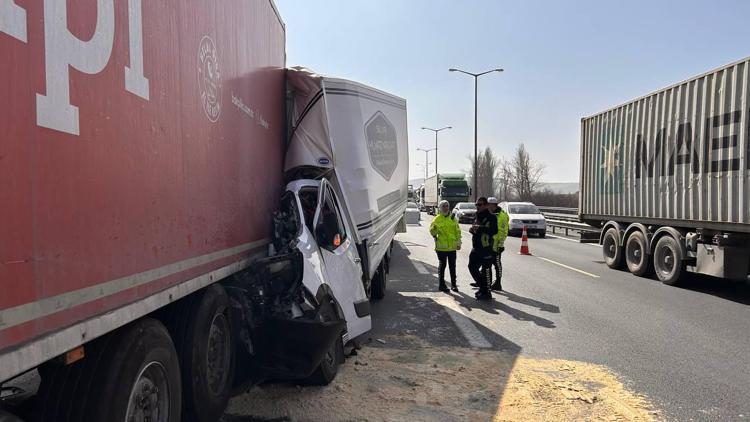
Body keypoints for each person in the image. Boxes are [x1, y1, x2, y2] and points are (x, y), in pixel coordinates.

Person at [468, 197, 498, 300]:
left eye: (480, 205)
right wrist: (472, 230)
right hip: (476, 247)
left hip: (486, 248)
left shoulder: (491, 217)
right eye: (476, 205)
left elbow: (494, 231)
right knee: (472, 267)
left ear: (485, 205)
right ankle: (483, 288)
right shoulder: (477, 216)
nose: (478, 207)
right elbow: (475, 229)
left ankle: (486, 292)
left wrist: (480, 229)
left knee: (486, 271)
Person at [429, 200, 461, 292]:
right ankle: (442, 285)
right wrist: (433, 230)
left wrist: (458, 243)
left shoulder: (453, 218)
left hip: (452, 248)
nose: (446, 208)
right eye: (443, 206)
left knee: (452, 266)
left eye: (447, 206)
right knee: (442, 266)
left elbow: (457, 232)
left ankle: (454, 285)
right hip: (441, 248)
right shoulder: (437, 219)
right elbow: (432, 232)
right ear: (440, 208)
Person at [487, 197, 509, 291]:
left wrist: (500, 244)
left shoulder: (502, 216)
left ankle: (498, 282)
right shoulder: (488, 214)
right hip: (488, 243)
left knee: (497, 264)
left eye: (489, 205)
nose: (488, 206)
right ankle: (488, 282)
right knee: (487, 264)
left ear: (494, 205)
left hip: (496, 244)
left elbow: (503, 232)